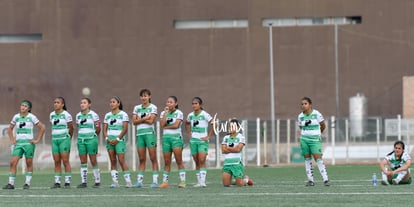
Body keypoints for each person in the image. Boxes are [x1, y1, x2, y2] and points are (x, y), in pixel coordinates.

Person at [3, 100, 45, 190]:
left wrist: (37, 140)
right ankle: (11, 184)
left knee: (28, 163)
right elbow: (10, 129)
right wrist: (12, 140)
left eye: (25, 106)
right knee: (13, 162)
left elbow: (42, 127)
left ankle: (27, 183)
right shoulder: (16, 117)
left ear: (29, 109)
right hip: (18, 144)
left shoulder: (32, 117)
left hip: (28, 144)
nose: (23, 107)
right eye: (22, 105)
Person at [297, 97, 330, 186]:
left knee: (318, 159)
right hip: (304, 140)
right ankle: (310, 180)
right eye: (302, 104)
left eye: (305, 104)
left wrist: (318, 133)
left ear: (310, 105)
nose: (303, 105)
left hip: (315, 140)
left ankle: (326, 179)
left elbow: (323, 125)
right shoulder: (300, 116)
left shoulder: (317, 114)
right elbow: (301, 127)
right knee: (307, 159)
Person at [132, 89, 159, 188]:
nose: (144, 98)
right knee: (142, 158)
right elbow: (134, 122)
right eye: (142, 96)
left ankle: (155, 181)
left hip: (149, 134)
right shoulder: (136, 108)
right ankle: (139, 181)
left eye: (145, 96)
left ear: (149, 96)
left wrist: (140, 119)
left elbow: (151, 121)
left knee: (153, 158)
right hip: (140, 135)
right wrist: (144, 118)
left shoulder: (153, 107)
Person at [103, 96, 132, 188]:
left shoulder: (123, 114)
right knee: (112, 160)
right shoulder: (107, 115)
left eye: (114, 102)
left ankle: (128, 182)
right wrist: (107, 138)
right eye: (110, 102)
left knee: (121, 160)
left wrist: (118, 139)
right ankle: (115, 182)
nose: (111, 103)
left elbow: (125, 129)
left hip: (119, 140)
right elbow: (104, 129)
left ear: (118, 104)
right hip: (109, 140)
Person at [185, 97, 214, 187]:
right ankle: (198, 182)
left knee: (202, 160)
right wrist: (189, 134)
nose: (194, 105)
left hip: (202, 141)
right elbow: (187, 123)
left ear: (200, 105)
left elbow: (214, 123)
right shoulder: (190, 115)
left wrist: (209, 136)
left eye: (196, 103)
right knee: (196, 161)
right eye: (193, 103)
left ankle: (203, 182)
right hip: (193, 141)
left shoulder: (205, 114)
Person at [159, 96, 186, 188]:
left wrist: (166, 127)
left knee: (179, 160)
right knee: (167, 161)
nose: (169, 104)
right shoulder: (163, 113)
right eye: (168, 102)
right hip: (166, 139)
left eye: (171, 102)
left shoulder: (179, 113)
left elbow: (176, 125)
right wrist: (166, 114)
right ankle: (165, 182)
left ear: (176, 103)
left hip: (176, 139)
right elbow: (162, 125)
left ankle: (183, 181)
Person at [76, 97, 102, 188]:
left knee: (93, 160)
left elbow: (98, 127)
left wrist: (93, 136)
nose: (82, 104)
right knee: (83, 161)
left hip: (91, 139)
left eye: (84, 103)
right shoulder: (78, 115)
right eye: (81, 103)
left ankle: (97, 181)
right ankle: (84, 182)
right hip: (81, 140)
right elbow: (78, 126)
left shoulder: (94, 115)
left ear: (89, 104)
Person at [50, 97, 74, 189]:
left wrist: (68, 138)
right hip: (54, 140)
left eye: (58, 102)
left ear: (62, 105)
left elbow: (71, 128)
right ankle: (57, 182)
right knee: (56, 161)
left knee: (65, 161)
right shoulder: (51, 114)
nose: (56, 104)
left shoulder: (66, 115)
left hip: (64, 139)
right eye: (55, 102)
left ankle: (67, 182)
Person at [221, 118, 253, 187]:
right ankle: (236, 180)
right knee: (226, 185)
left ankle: (245, 180)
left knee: (240, 185)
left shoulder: (241, 137)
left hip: (236, 163)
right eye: (230, 126)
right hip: (227, 163)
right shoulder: (226, 137)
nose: (231, 127)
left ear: (238, 127)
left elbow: (238, 149)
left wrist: (228, 148)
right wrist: (233, 149)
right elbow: (223, 150)